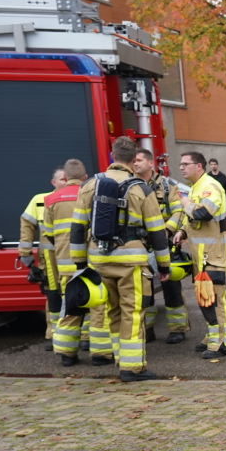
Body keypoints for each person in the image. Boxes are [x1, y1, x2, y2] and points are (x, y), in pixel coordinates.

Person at [70, 137, 171, 382]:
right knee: (133, 312)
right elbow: (157, 231)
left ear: (112, 156)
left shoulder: (89, 185)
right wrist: (164, 265)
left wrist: (80, 264)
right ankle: (132, 368)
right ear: (133, 160)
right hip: (131, 263)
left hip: (99, 261)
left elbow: (77, 228)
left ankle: (120, 359)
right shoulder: (141, 189)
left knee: (112, 312)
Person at [174, 151, 226, 359]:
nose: (181, 167)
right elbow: (193, 219)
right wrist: (182, 231)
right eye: (180, 164)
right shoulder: (196, 187)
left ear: (199, 166)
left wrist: (186, 204)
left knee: (214, 298)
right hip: (202, 256)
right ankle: (213, 336)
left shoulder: (209, 186)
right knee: (204, 297)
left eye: (185, 164)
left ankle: (222, 343)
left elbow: (203, 213)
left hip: (213, 254)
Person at [132, 148, 190, 344]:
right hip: (138, 245)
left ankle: (177, 329)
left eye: (139, 160)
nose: (135, 163)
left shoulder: (166, 186)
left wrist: (166, 230)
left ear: (150, 163)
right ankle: (146, 329)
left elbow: (178, 212)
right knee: (143, 288)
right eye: (133, 160)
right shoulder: (129, 185)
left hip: (163, 244)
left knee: (171, 287)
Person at [47, 160, 90, 366]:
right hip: (89, 262)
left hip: (65, 263)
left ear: (65, 176)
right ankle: (97, 351)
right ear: (84, 177)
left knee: (69, 307)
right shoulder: (89, 194)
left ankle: (67, 354)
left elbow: (48, 235)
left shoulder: (50, 199)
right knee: (96, 305)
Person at [18, 167, 67, 342]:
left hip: (73, 254)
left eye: (68, 178)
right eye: (62, 179)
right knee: (52, 293)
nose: (66, 182)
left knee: (75, 292)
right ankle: (53, 334)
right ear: (53, 183)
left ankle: (77, 336)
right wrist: (25, 253)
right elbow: (26, 223)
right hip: (49, 255)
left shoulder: (79, 196)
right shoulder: (40, 200)